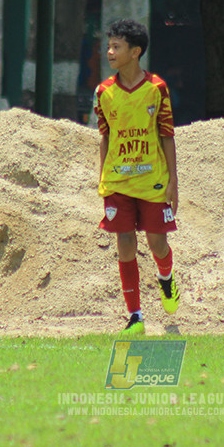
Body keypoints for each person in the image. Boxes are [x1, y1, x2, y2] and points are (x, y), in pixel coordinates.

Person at [94, 19, 180, 336]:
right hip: (118, 181)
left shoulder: (156, 89)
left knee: (158, 243)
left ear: (135, 52)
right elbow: (105, 136)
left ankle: (167, 280)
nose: (109, 52)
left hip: (153, 180)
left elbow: (167, 135)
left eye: (116, 46)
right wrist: (103, 176)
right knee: (125, 243)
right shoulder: (103, 92)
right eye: (109, 46)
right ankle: (135, 317)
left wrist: (173, 181)